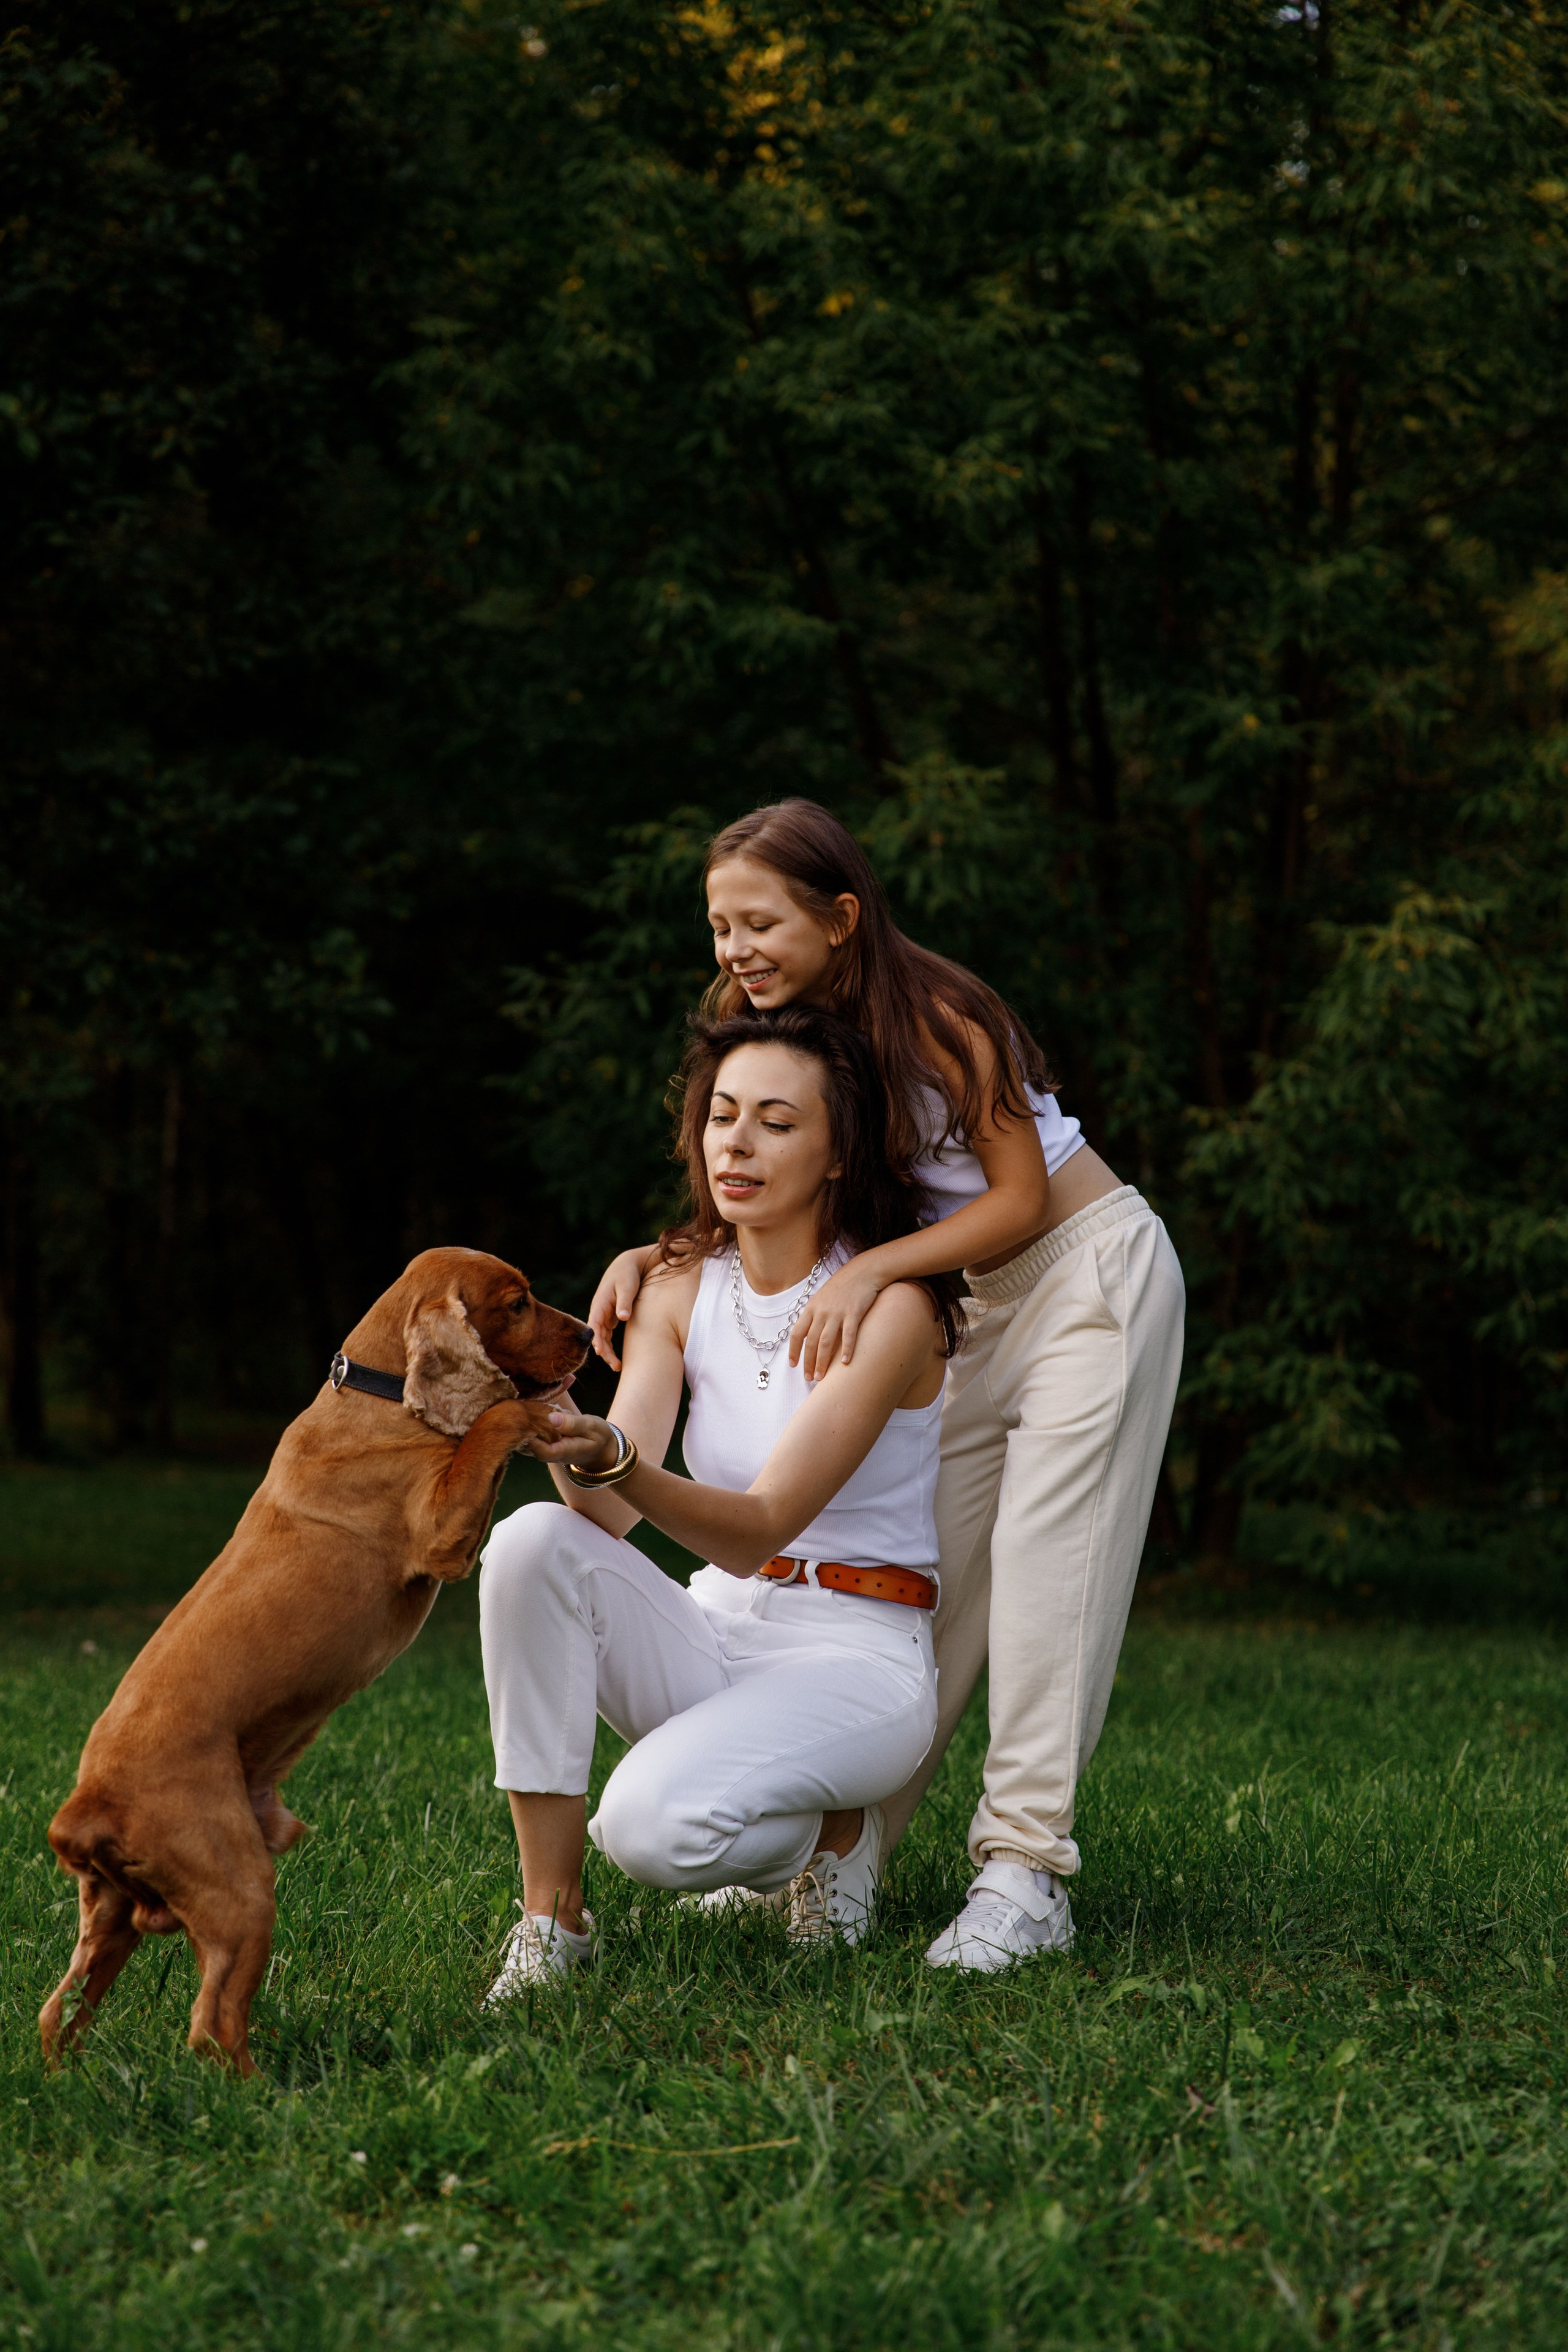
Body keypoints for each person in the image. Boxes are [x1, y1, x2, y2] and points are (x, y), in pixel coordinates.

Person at [589, 800, 1185, 1972]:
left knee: (1050, 1580)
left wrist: (876, 1271)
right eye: (720, 927)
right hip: (954, 1305)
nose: (737, 950)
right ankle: (843, 1856)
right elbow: (757, 1174)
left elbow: (1018, 1199)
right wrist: (654, 1255)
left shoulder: (938, 1018)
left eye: (761, 923)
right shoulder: (777, 1028)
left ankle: (1025, 1872)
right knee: (926, 1577)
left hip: (1084, 1280)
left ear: (842, 917)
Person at [478, 1006, 963, 1995]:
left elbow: (760, 1527)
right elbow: (603, 1514)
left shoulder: (895, 1310)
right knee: (530, 1542)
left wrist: (617, 1460)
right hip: (719, 1624)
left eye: (777, 1123)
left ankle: (833, 1832)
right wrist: (555, 1410)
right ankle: (550, 1924)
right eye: (722, 1116)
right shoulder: (677, 1288)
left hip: (856, 1653)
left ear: (839, 1153)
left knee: (647, 1831)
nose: (736, 1143)